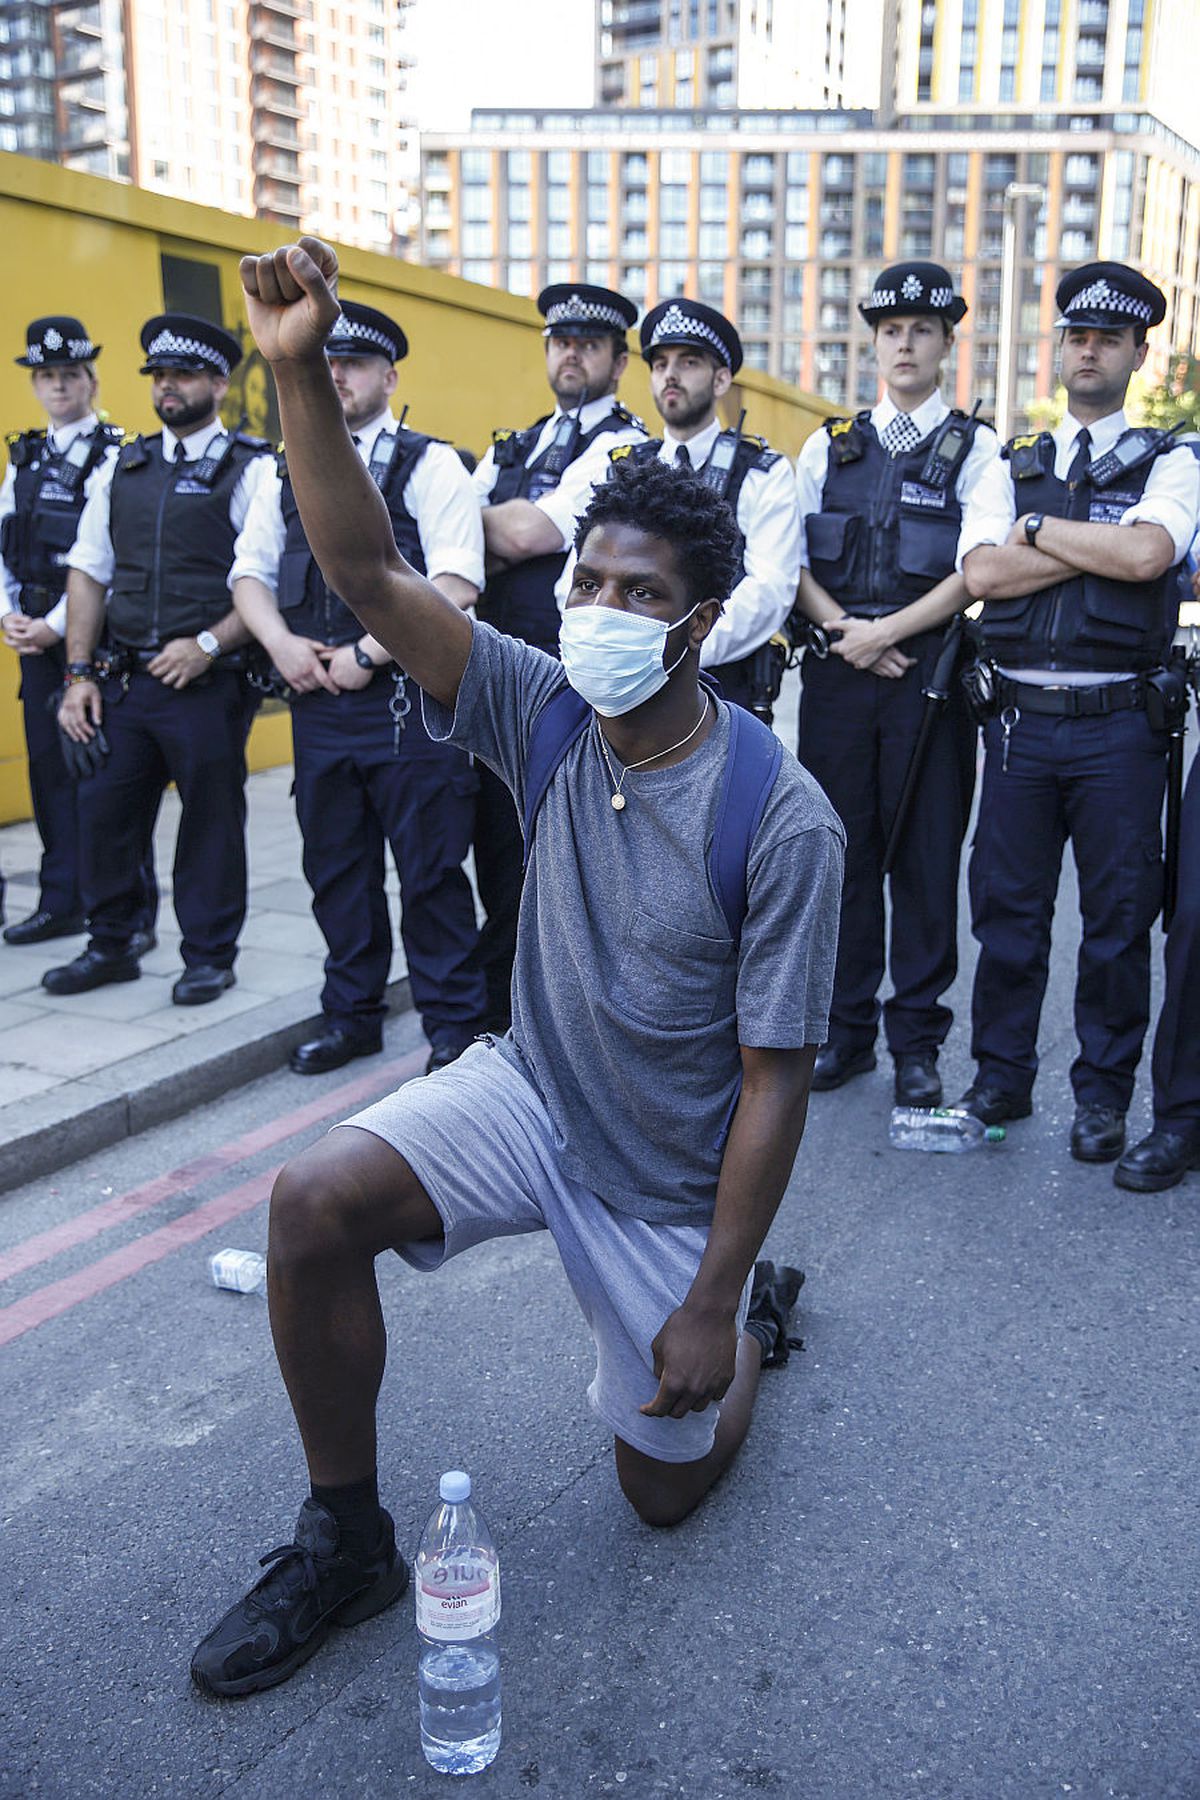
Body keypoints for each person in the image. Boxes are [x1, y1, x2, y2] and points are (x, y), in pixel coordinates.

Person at [189, 236, 844, 1699]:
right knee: (310, 1204)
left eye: (631, 592)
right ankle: (347, 1539)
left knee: (658, 1491)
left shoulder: (778, 814)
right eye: (586, 580)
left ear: (694, 621)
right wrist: (296, 365)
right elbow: (360, 568)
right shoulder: (535, 707)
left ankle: (744, 1334)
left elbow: (774, 1079)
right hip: (533, 1093)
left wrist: (708, 1293)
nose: (591, 611)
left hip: (669, 1175)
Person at [957, 261, 1200, 1159]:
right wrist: (1094, 541)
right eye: (1076, 335)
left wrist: (1032, 533)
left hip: (1120, 730)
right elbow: (979, 576)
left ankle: (1101, 1099)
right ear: (1060, 347)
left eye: (1107, 337)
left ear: (1140, 351)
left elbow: (1149, 558)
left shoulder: (1174, 459)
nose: (1087, 348)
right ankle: (1000, 1079)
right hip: (1019, 726)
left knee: (1115, 925)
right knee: (1008, 917)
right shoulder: (1009, 460)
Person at [231, 299, 489, 1075]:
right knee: (336, 872)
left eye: (355, 363)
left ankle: (453, 1027)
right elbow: (248, 572)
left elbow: (456, 580)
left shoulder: (431, 462)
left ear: (389, 375)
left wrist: (368, 655)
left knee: (431, 872)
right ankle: (352, 1016)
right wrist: (280, 645)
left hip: (410, 710)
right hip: (318, 705)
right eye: (328, 362)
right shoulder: (282, 465)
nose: (337, 374)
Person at [793, 262, 999, 1106]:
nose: (904, 343)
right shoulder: (828, 445)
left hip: (928, 684)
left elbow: (976, 570)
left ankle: (917, 1042)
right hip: (842, 678)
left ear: (948, 342)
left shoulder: (977, 449)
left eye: (921, 329)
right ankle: (845, 1034)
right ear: (874, 343)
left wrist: (885, 633)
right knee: (842, 860)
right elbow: (789, 565)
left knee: (922, 863)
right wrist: (850, 633)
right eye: (890, 330)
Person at [46, 311, 277, 1004]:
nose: (167, 387)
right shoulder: (123, 465)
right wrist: (78, 673)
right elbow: (89, 571)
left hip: (207, 684)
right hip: (125, 680)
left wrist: (208, 645)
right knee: (105, 813)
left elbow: (262, 580)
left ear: (216, 380)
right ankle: (112, 942)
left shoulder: (254, 468)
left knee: (209, 823)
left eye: (181, 375)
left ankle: (208, 955)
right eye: (158, 376)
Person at [469, 281, 643, 1032]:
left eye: (588, 343)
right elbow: (461, 544)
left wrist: (463, 521)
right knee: (496, 858)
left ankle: (560, 1028)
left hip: (564, 687)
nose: (570, 353)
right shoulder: (514, 444)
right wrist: (472, 528)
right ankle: (503, 1027)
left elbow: (523, 537)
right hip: (494, 683)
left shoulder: (621, 444)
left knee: (560, 868)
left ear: (616, 360)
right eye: (560, 341)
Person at [557, 297, 801, 721]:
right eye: (660, 363)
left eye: (688, 362)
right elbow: (575, 579)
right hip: (619, 690)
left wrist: (668, 653)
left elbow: (769, 591)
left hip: (722, 690)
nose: (670, 374)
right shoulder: (618, 463)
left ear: (722, 379)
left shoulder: (763, 471)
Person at [0, 316, 157, 949]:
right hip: (30, 635)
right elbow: (5, 542)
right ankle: (61, 898)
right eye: (47, 377)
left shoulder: (117, 454)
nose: (58, 386)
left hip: (90, 643)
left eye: (70, 375)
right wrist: (12, 616)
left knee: (107, 779)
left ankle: (125, 912)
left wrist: (56, 628)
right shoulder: (26, 455)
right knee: (48, 772)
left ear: (91, 380)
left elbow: (104, 556)